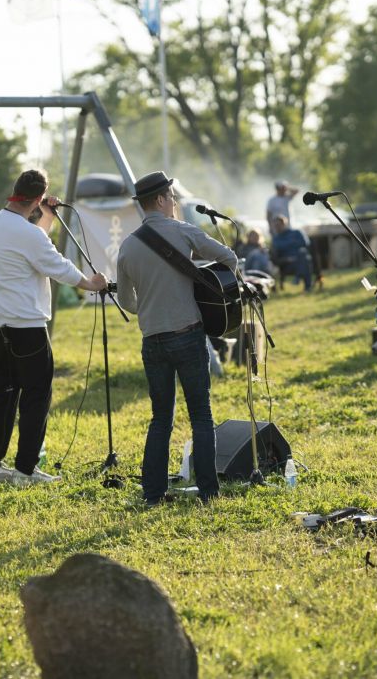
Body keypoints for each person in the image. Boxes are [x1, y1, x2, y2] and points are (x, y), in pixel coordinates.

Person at [0, 169, 107, 486]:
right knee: (36, 396)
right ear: (37, 197)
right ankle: (25, 470)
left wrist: (45, 215)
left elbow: (33, 244)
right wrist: (91, 283)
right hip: (26, 327)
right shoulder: (29, 235)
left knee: (1, 396)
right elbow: (56, 264)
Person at [117, 171, 238, 505]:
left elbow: (127, 302)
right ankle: (209, 493)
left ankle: (153, 495)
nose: (174, 202)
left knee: (160, 420)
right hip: (188, 334)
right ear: (160, 200)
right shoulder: (185, 231)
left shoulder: (127, 247)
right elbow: (230, 258)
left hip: (152, 340)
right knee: (201, 415)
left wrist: (151, 306)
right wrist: (215, 295)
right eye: (171, 196)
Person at [270, 215, 313, 291]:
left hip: (300, 258)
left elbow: (305, 243)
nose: (277, 227)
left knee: (302, 254)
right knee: (304, 260)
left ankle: (299, 278)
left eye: (278, 225)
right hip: (287, 263)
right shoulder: (275, 239)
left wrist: (287, 247)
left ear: (284, 224)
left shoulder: (297, 232)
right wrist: (293, 245)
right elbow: (276, 253)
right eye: (275, 226)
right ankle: (306, 285)